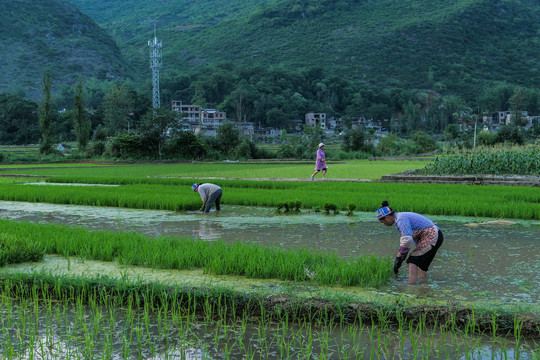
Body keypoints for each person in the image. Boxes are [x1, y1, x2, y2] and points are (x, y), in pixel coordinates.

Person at [375, 200, 444, 284]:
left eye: (382, 222)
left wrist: (399, 258)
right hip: (436, 235)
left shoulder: (400, 219)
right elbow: (410, 238)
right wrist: (400, 258)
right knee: (422, 265)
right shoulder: (400, 217)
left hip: (432, 236)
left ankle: (411, 287)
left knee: (412, 260)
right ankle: (424, 286)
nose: (384, 224)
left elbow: (407, 240)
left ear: (386, 217)